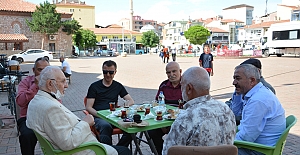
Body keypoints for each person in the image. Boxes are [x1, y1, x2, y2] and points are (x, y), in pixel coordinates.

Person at [26, 66, 131, 155]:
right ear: (50, 84)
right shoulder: (50, 108)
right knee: (125, 151)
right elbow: (67, 143)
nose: (66, 85)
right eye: (63, 81)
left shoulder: (36, 101)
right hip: (85, 150)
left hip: (76, 146)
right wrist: (85, 123)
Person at [162, 66, 236, 155]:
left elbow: (167, 152)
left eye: (182, 85)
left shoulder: (186, 118)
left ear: (189, 88)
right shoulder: (226, 109)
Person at [232, 64, 285, 155]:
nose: (234, 82)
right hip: (259, 146)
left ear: (252, 80)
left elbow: (246, 137)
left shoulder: (258, 100)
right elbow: (235, 111)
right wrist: (237, 94)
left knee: (215, 150)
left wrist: (222, 144)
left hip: (258, 150)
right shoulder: (258, 92)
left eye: (238, 78)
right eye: (234, 78)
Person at [86, 60, 134, 147]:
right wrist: (100, 115)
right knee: (105, 126)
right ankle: (108, 151)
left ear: (115, 72)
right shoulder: (94, 86)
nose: (108, 74)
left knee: (132, 125)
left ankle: (118, 149)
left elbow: (131, 101)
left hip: (113, 116)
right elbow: (88, 107)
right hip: (98, 117)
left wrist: (121, 109)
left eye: (111, 72)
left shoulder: (118, 86)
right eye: (105, 72)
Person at [16, 57, 50, 155]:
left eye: (46, 70)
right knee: (26, 136)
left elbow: (58, 102)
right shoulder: (25, 82)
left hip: (47, 117)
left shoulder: (52, 82)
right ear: (33, 70)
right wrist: (35, 86)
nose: (43, 73)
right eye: (40, 70)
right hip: (28, 118)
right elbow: (20, 102)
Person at [227, 58, 276, 125]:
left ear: (257, 72)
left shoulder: (264, 90)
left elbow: (250, 120)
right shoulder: (243, 86)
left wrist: (228, 116)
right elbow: (231, 102)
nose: (234, 82)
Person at [148, 62, 183, 154]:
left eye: (174, 71)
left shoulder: (186, 86)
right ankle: (162, 152)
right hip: (164, 120)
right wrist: (163, 124)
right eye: (168, 72)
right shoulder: (163, 86)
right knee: (151, 131)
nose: (171, 75)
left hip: (181, 121)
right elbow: (157, 105)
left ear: (180, 71)